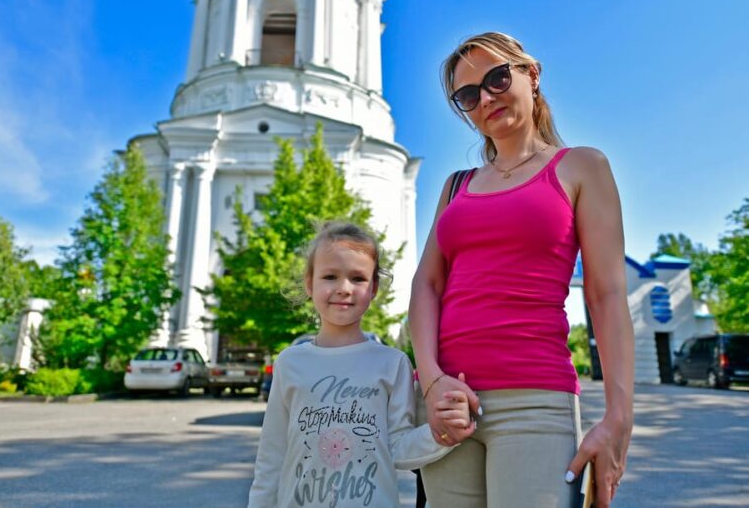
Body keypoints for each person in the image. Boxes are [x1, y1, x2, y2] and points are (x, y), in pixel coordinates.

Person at [409, 32, 635, 508]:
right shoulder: (455, 186)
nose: (486, 98)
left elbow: (607, 294)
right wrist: (431, 381)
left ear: (531, 75)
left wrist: (619, 418)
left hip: (536, 401)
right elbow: (426, 285)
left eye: (497, 79)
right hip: (449, 404)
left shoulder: (581, 167)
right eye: (469, 95)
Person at [248, 222, 476, 508]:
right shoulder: (289, 363)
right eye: (330, 276)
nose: (344, 289)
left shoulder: (393, 363)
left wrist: (443, 432)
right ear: (309, 283)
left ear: (374, 288)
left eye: (358, 278)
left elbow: (398, 447)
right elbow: (271, 456)